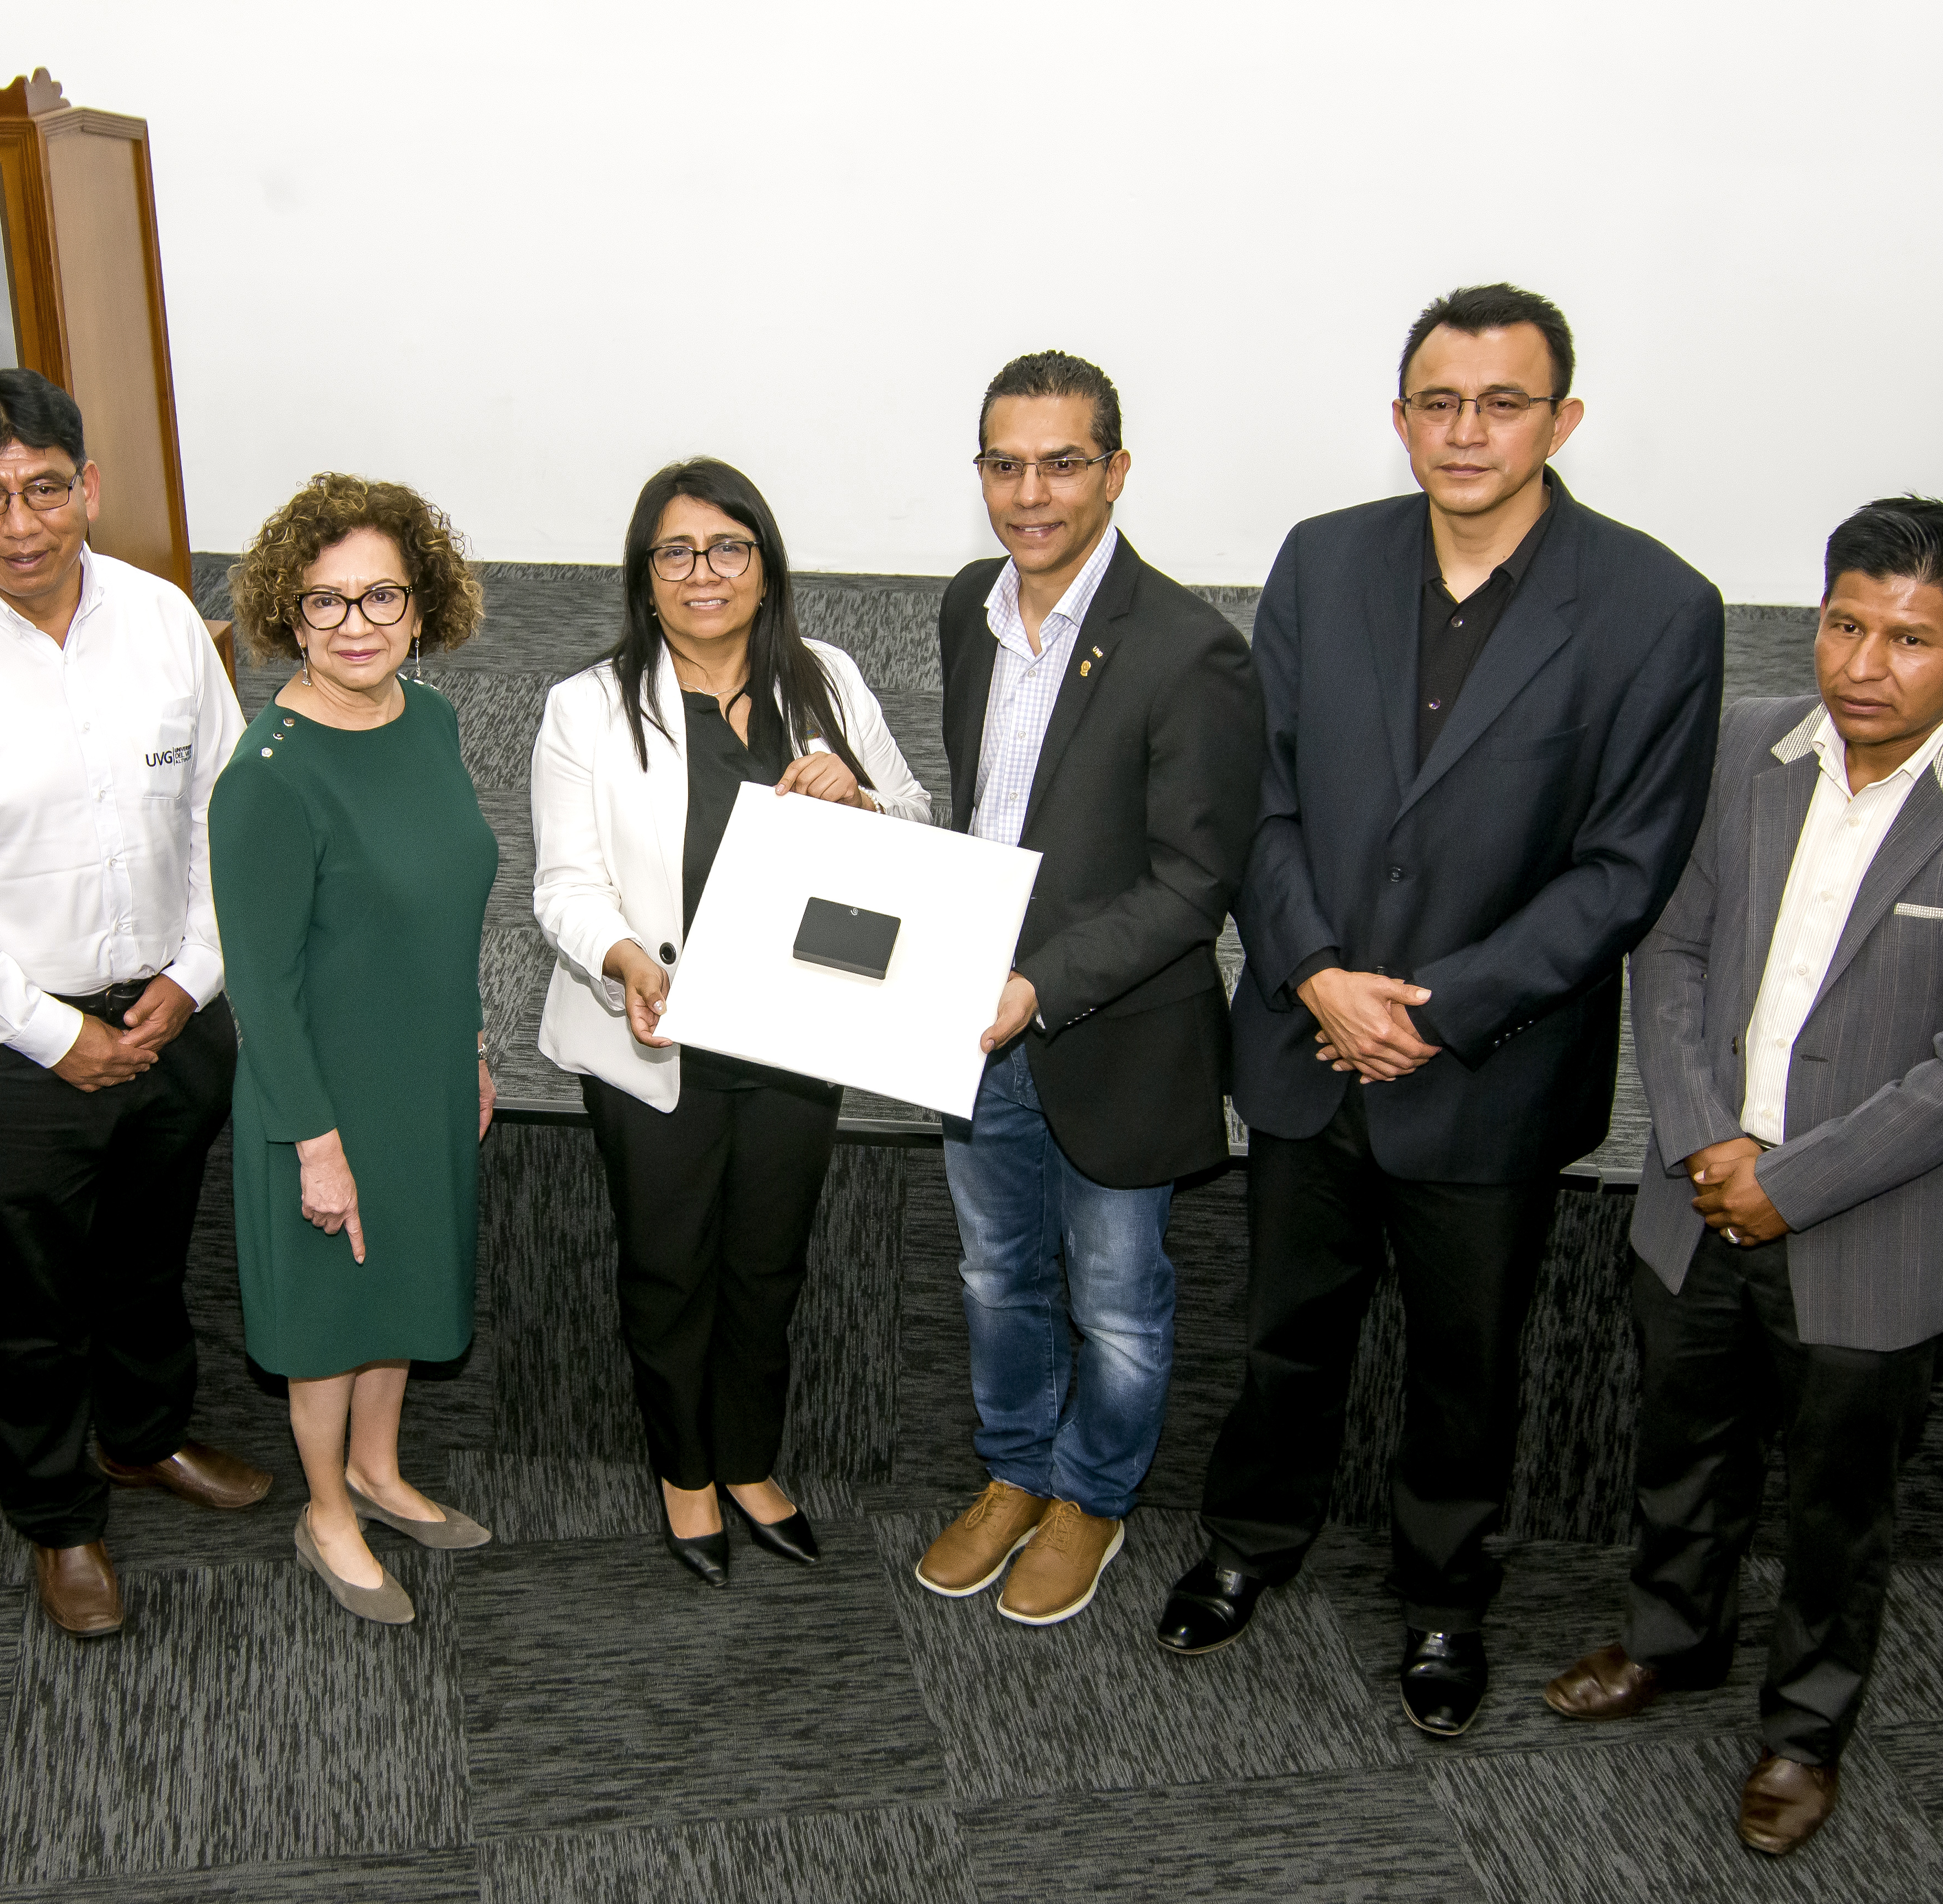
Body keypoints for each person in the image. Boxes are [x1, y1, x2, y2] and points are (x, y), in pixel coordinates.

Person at [1159, 284, 1723, 1737]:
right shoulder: (1322, 560)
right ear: (1400, 415)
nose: (1465, 431)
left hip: (1490, 1069)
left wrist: (1436, 1006)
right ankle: (1251, 1542)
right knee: (1285, 1327)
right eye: (1438, 401)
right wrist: (1314, 976)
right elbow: (1261, 799)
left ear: (1563, 421)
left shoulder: (1657, 608)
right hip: (1307, 1041)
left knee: (1465, 1366)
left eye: (1502, 403)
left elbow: (1623, 869)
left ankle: (1442, 1600)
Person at [1541, 500, 1943, 1854]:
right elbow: (1668, 955)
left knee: (1839, 1508)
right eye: (1845, 623)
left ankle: (1804, 1730)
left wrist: (1790, 1181)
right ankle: (1672, 1637)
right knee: (1683, 1451)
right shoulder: (1744, 748)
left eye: (1908, 638)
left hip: (1876, 1226)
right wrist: (1701, 1138)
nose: (1863, 662)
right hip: (1695, 1191)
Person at [0, 368, 261, 1642]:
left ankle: (142, 1440)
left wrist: (193, 977)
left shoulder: (163, 619)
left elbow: (225, 815)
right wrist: (48, 1030)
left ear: (88, 486)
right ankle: (59, 1517)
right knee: (35, 1305)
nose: (18, 525)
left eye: (41, 490)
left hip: (173, 1014)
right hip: (15, 1043)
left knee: (147, 1264)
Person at [533, 458, 933, 1587]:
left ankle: (751, 1459)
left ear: (764, 566)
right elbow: (562, 886)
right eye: (676, 552)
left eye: (727, 547)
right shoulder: (587, 705)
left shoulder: (829, 681)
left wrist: (860, 797)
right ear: (645, 576)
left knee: (767, 1263)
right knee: (668, 1266)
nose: (703, 572)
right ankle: (686, 1473)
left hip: (796, 1031)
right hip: (650, 1033)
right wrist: (619, 960)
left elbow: (915, 820)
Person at [912, 353, 1264, 1626]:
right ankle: (1012, 1473)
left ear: (1115, 471)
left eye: (1063, 462)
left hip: (1109, 1035)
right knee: (994, 1276)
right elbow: (986, 821)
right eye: (1004, 463)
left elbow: (1194, 884)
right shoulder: (968, 607)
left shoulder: (1190, 650)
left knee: (1116, 1299)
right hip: (968, 1028)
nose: (1031, 492)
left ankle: (1092, 1500)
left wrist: (1036, 985)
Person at [211, 473, 501, 1626]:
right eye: (325, 603)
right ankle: (326, 1505)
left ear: (422, 607)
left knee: (404, 1283)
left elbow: (443, 905)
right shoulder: (266, 780)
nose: (356, 624)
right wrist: (312, 1143)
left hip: (420, 1067)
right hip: (317, 1088)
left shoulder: (428, 720)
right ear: (289, 614)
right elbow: (262, 991)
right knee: (330, 1314)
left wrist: (471, 1040)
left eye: (380, 596)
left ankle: (381, 1470)